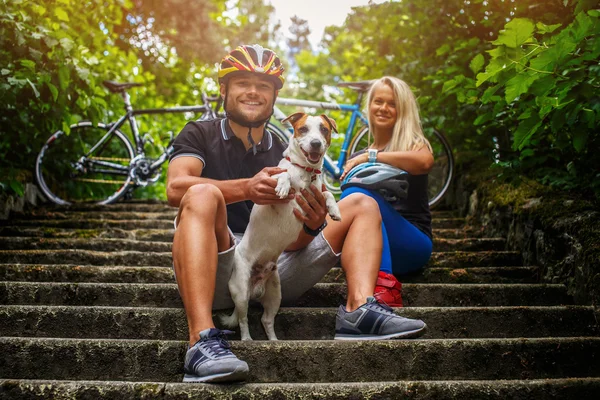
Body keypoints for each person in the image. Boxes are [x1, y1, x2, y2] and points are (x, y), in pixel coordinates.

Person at [167, 45, 427, 383]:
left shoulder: (289, 149)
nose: (252, 92)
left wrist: (311, 223)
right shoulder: (199, 132)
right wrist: (246, 188)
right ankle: (201, 340)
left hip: (277, 264)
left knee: (362, 202)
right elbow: (175, 189)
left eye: (263, 85)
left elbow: (291, 244)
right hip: (216, 262)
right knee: (201, 193)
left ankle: (358, 309)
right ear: (223, 90)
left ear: (274, 96)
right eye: (242, 82)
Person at [340, 76, 434, 308]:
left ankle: (386, 289)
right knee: (351, 199)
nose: (383, 108)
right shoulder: (356, 157)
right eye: (378, 101)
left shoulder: (412, 145)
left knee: (357, 195)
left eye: (392, 104)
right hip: (370, 249)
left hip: (411, 244)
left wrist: (371, 157)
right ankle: (363, 295)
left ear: (402, 110)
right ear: (369, 105)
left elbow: (424, 162)